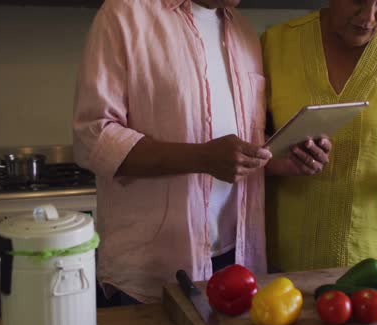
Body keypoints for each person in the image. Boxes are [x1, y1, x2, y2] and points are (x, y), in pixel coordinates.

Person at [73, 0, 327, 305]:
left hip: (238, 260)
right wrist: (202, 158)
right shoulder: (125, 14)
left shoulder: (244, 32)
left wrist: (279, 159)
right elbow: (94, 137)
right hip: (154, 270)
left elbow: (242, 143)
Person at [261, 0, 377, 272]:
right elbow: (248, 136)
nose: (368, 18)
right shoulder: (276, 43)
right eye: (357, 1)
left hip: (374, 260)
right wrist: (277, 158)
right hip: (285, 255)